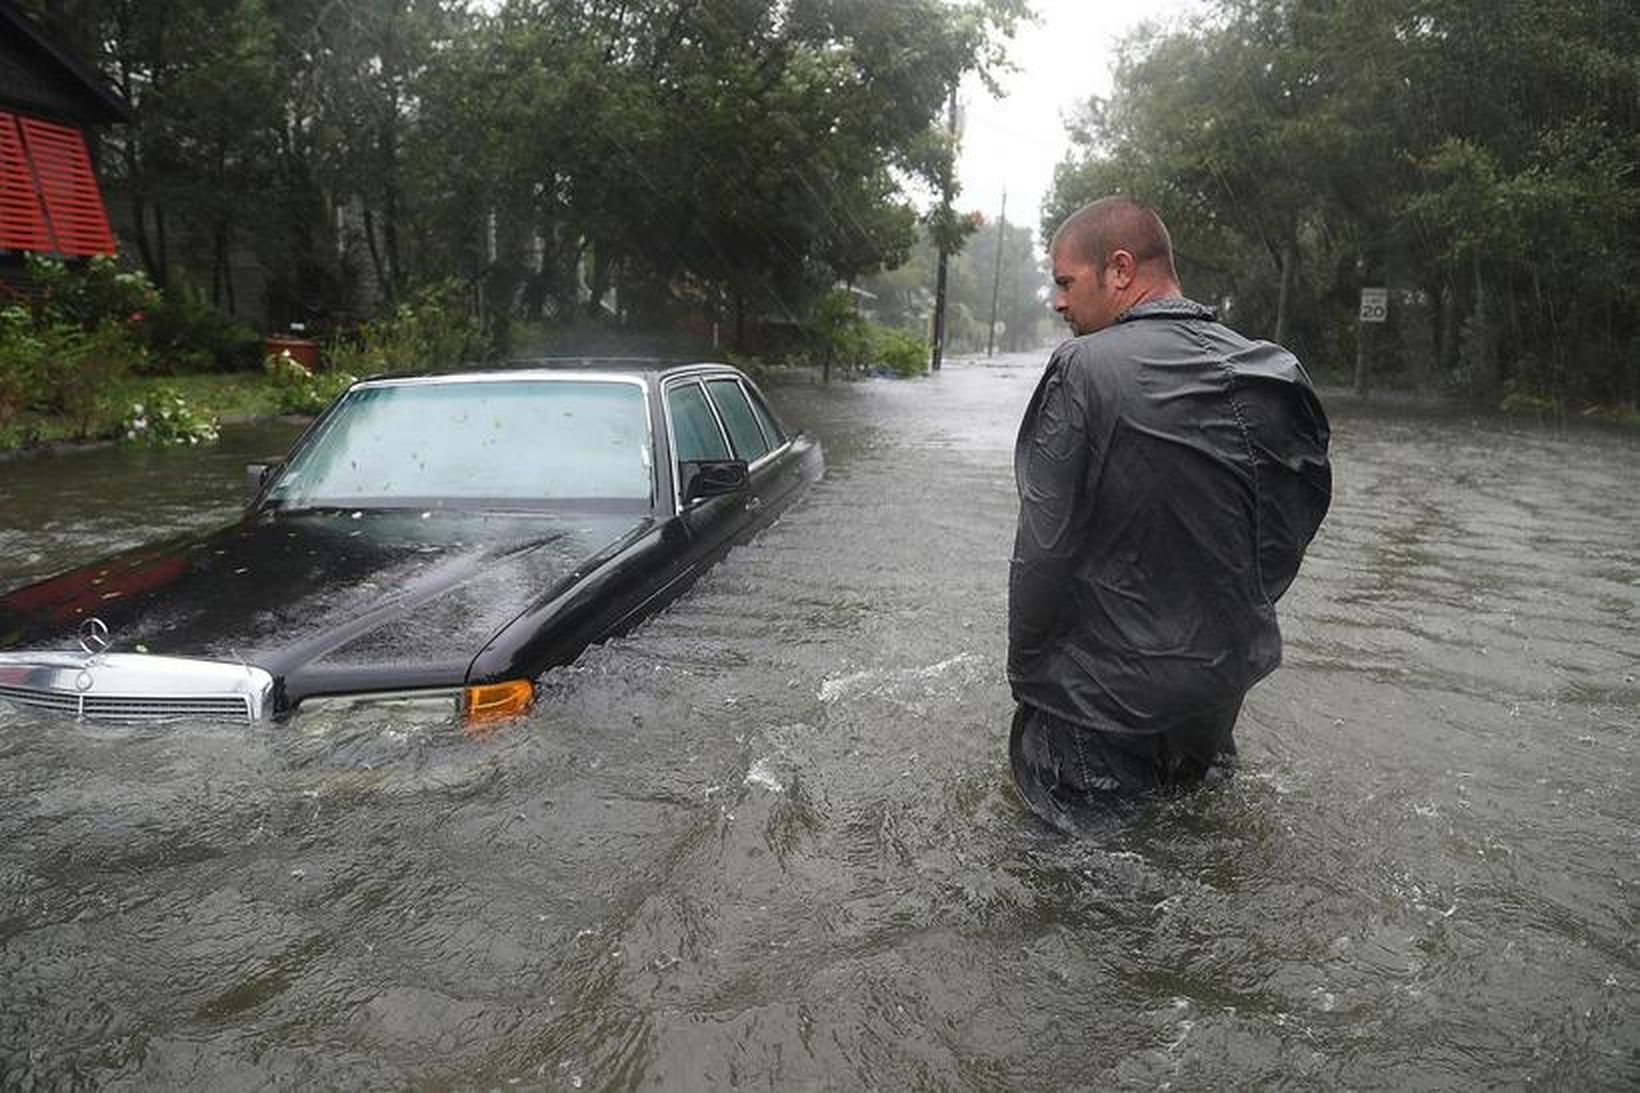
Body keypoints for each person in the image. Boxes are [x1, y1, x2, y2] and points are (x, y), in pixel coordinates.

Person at [1008, 196, 1331, 833]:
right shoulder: (1276, 372)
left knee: (1075, 897)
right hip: (1212, 700)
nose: (1059, 302)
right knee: (1194, 848)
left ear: (1120, 269)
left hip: (1093, 711)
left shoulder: (1081, 369)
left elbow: (1043, 550)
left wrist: (1028, 678)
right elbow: (1289, 526)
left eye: (1067, 282)